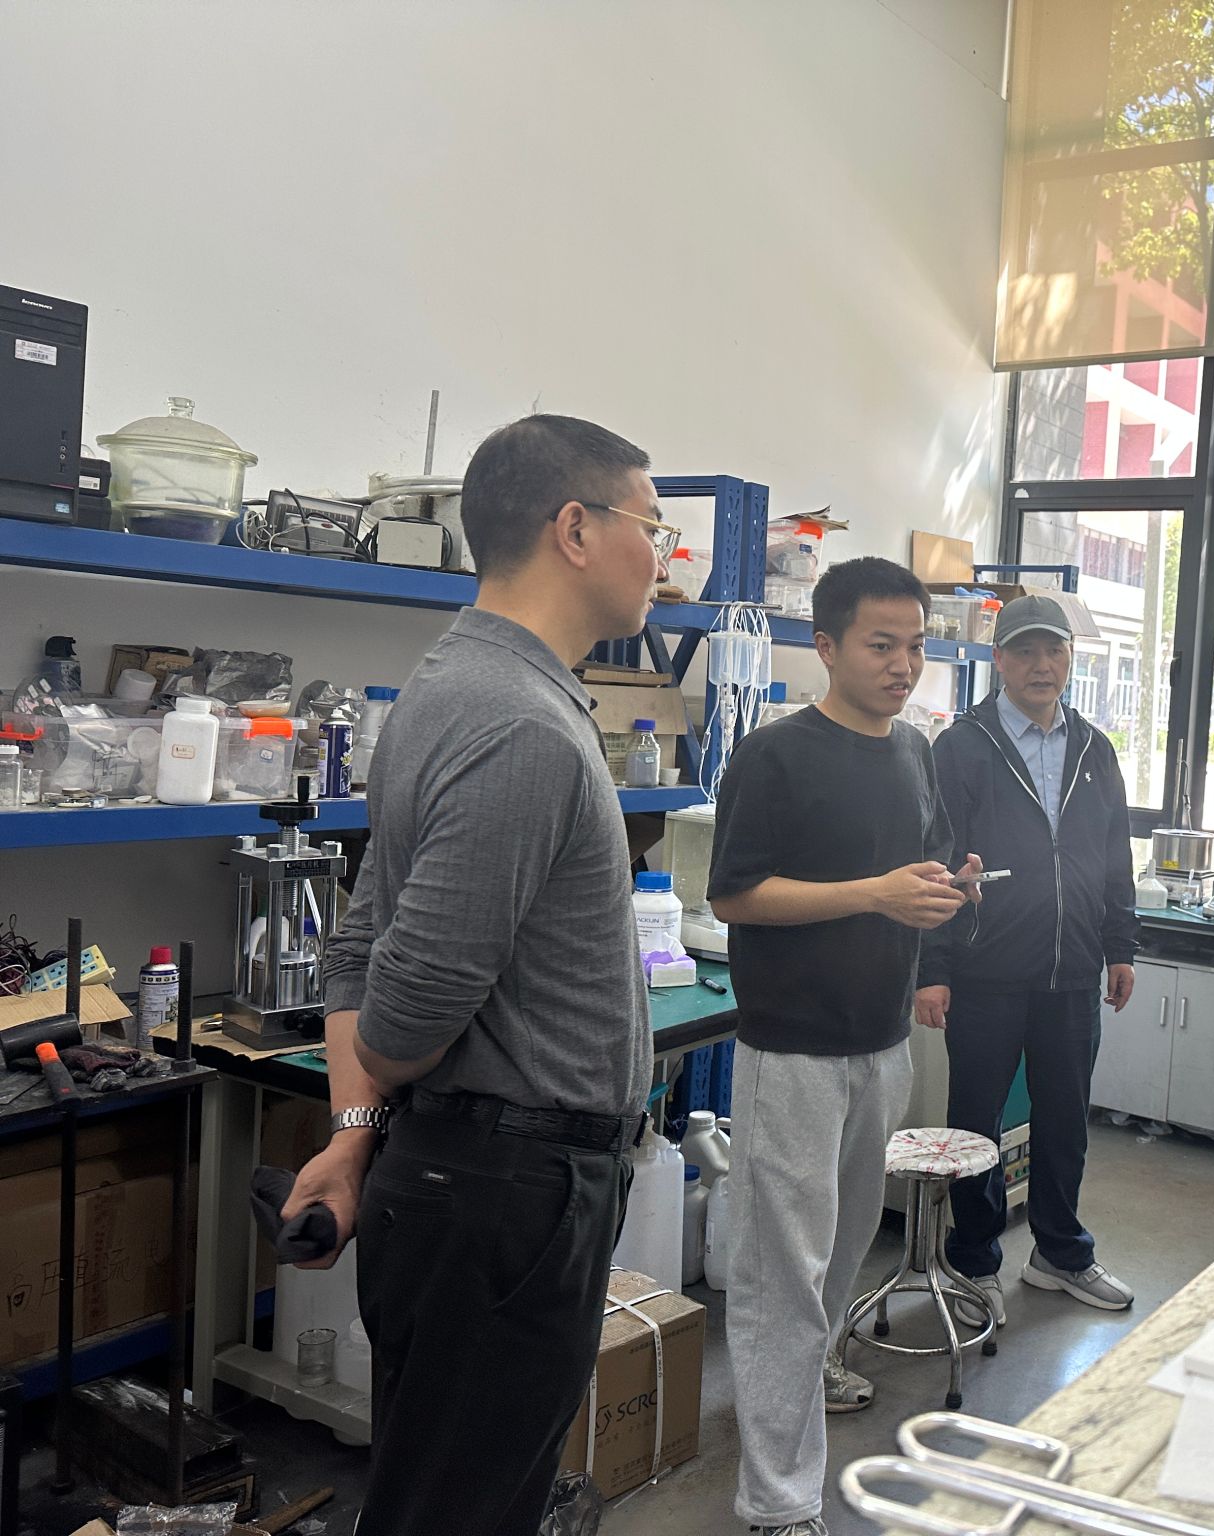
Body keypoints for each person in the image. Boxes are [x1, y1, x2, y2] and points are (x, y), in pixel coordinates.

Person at [280, 415, 669, 1534]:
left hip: (469, 1181)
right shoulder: (518, 726)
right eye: (651, 527)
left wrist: (353, 1134)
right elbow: (403, 1018)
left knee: (441, 1497)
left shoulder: (448, 687)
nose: (663, 556)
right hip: (505, 1199)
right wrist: (379, 1085)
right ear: (575, 530)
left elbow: (356, 946)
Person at [708, 556, 980, 1536]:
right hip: (793, 1053)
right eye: (881, 645)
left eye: (915, 646)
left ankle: (802, 1380)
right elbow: (735, 896)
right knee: (781, 1276)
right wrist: (874, 894)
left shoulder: (914, 751)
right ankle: (778, 1503)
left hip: (881, 1042)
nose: (903, 665)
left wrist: (950, 887)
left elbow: (919, 869)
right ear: (825, 646)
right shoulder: (773, 756)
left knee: (838, 1257)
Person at [916, 594, 1140, 1320]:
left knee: (1066, 1119)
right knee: (975, 1123)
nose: (1042, 665)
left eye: (1055, 651)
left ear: (1070, 658)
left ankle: (1059, 1254)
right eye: (1025, 651)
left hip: (1072, 971)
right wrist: (933, 970)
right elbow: (937, 861)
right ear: (999, 660)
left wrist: (1120, 946)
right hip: (984, 971)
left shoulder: (1094, 748)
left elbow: (1114, 857)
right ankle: (974, 1262)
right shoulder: (962, 747)